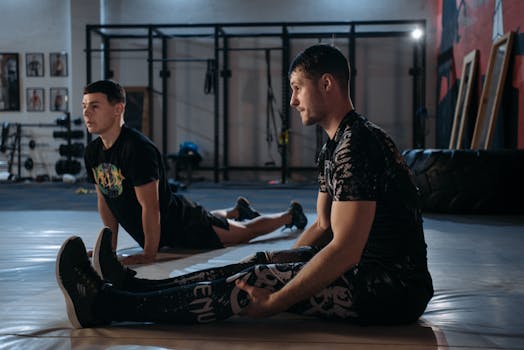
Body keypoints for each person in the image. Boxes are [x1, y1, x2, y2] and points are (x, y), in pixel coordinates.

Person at [56, 45, 433, 328]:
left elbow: (346, 249)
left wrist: (277, 300)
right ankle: (127, 285)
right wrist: (275, 262)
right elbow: (321, 226)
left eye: (297, 88)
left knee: (254, 280)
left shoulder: (359, 145)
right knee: (259, 263)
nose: (292, 100)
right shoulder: (336, 145)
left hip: (390, 288)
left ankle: (104, 307)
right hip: (366, 272)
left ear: (327, 84)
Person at [81, 80, 307, 265]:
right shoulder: (93, 152)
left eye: (95, 106)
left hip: (184, 224)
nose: (86, 113)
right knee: (218, 221)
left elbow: (151, 206)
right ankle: (237, 210)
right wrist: (109, 246)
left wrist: (149, 253)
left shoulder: (137, 149)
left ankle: (290, 214)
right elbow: (106, 200)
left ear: (118, 109)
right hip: (165, 228)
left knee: (243, 234)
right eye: (84, 106)